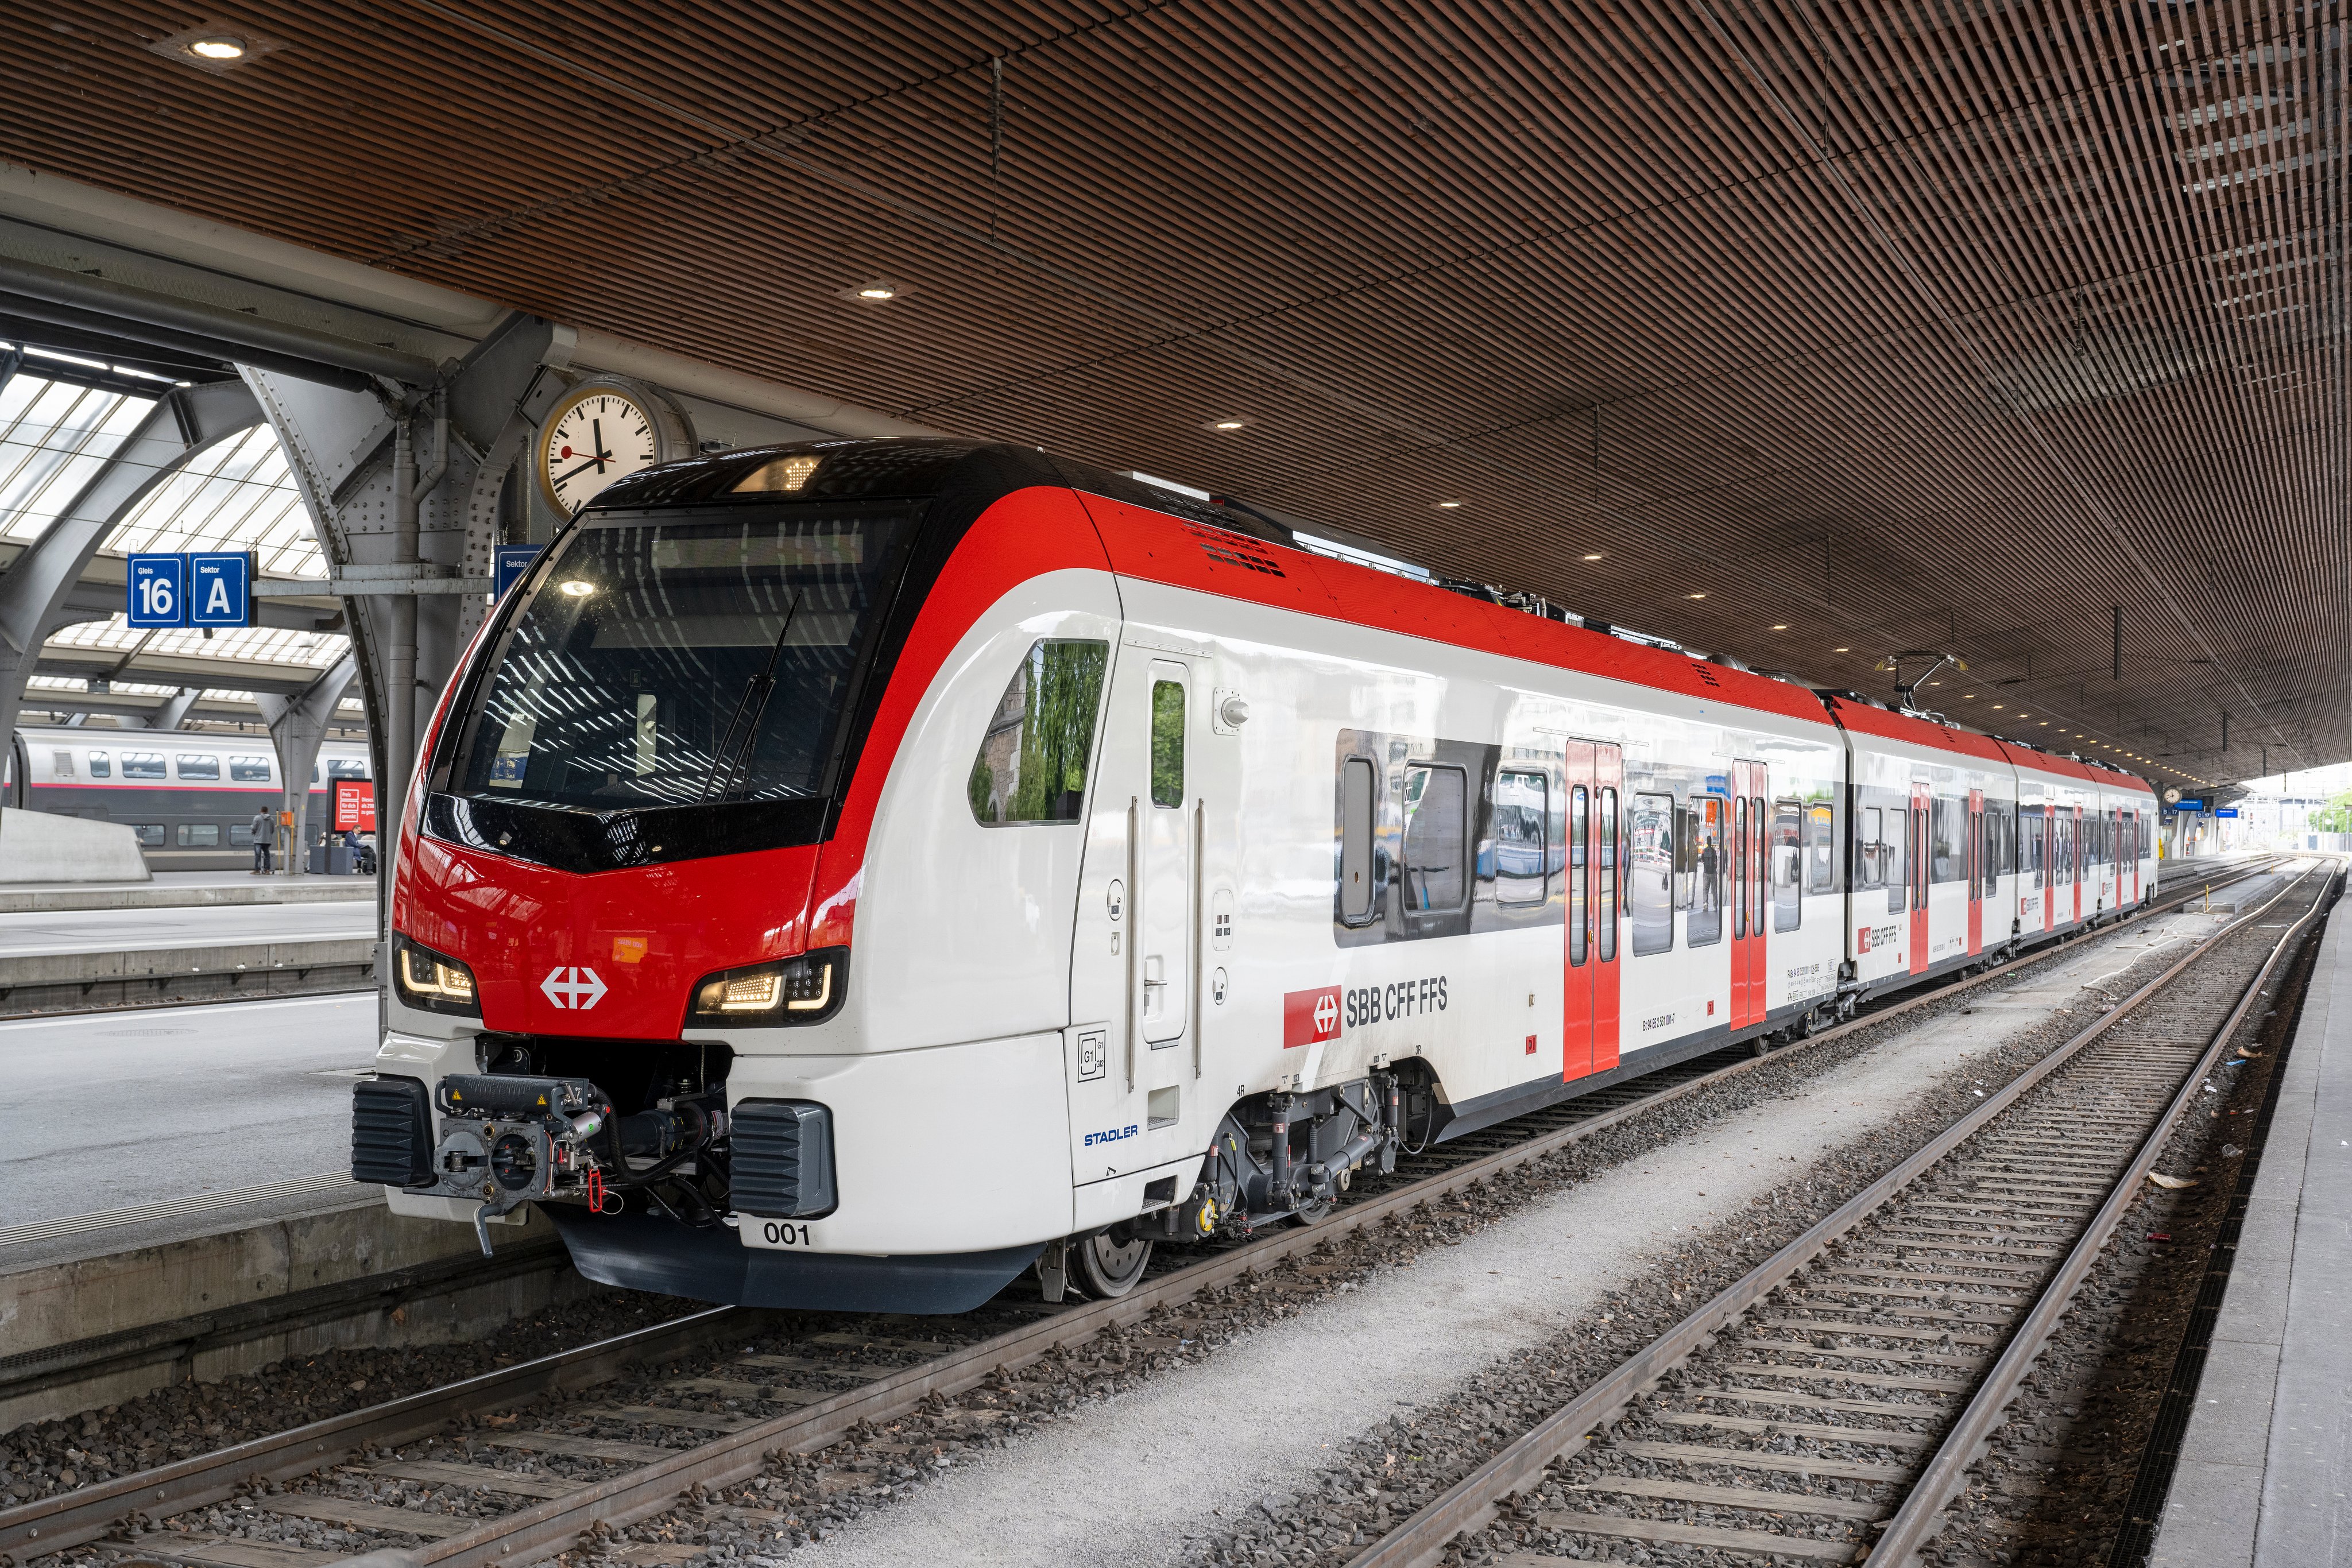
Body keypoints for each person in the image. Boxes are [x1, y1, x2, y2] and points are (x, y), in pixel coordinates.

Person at [248, 807, 274, 874]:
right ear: (267, 811)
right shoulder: (272, 819)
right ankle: (267, 870)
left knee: (258, 855)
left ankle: (257, 870)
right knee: (267, 855)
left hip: (258, 840)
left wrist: (253, 833)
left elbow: (254, 828)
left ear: (261, 811)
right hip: (267, 841)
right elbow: (272, 830)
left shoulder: (257, 818)